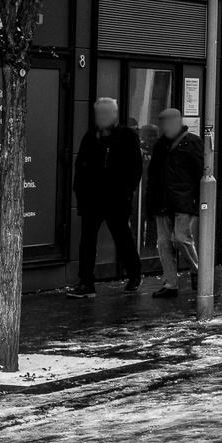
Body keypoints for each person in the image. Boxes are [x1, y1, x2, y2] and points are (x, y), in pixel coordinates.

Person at [68, 98, 144, 298]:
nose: (102, 117)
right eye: (99, 113)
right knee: (87, 241)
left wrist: (125, 193)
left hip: (116, 199)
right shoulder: (91, 137)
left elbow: (135, 168)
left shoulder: (126, 136)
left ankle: (134, 273)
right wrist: (81, 195)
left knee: (122, 237)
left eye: (106, 113)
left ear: (115, 114)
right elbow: (80, 168)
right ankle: (86, 282)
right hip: (92, 200)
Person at [145, 108, 204, 299]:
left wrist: (197, 200)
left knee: (181, 238)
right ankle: (170, 283)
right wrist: (150, 202)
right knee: (163, 243)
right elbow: (153, 176)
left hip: (183, 200)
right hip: (164, 200)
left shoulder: (192, 142)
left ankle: (198, 271)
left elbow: (200, 174)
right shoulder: (161, 145)